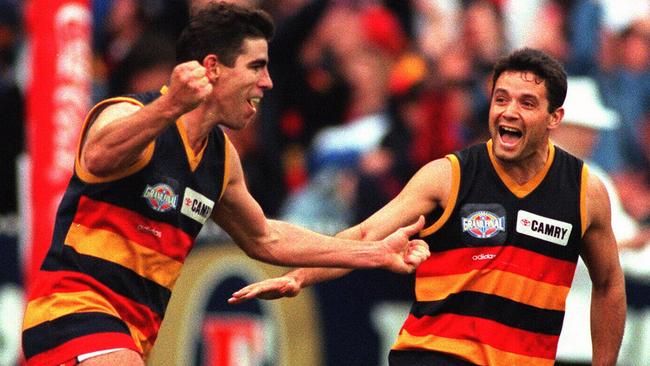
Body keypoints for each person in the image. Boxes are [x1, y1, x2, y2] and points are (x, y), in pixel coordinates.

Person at [20, 3, 431, 366]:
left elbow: (267, 237)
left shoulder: (220, 159)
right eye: (256, 66)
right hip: (71, 312)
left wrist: (372, 252)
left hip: (131, 335)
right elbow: (96, 156)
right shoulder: (130, 113)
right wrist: (169, 106)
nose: (268, 82)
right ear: (213, 68)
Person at [229, 48, 627, 366]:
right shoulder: (447, 176)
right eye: (500, 99)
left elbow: (609, 283)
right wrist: (300, 277)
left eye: (526, 103)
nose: (508, 111)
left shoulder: (584, 192)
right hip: (436, 356)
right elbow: (368, 235)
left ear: (554, 117)